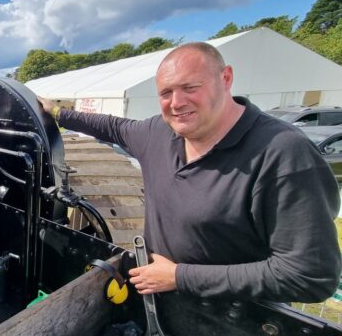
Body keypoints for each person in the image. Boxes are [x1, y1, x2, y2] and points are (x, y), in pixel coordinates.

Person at [39, 42, 341, 302]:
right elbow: (113, 127)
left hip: (235, 322)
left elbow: (310, 276)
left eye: (190, 88)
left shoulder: (284, 154)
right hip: (161, 300)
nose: (176, 103)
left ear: (226, 78)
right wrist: (56, 112)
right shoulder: (158, 131)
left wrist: (180, 277)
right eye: (166, 92)